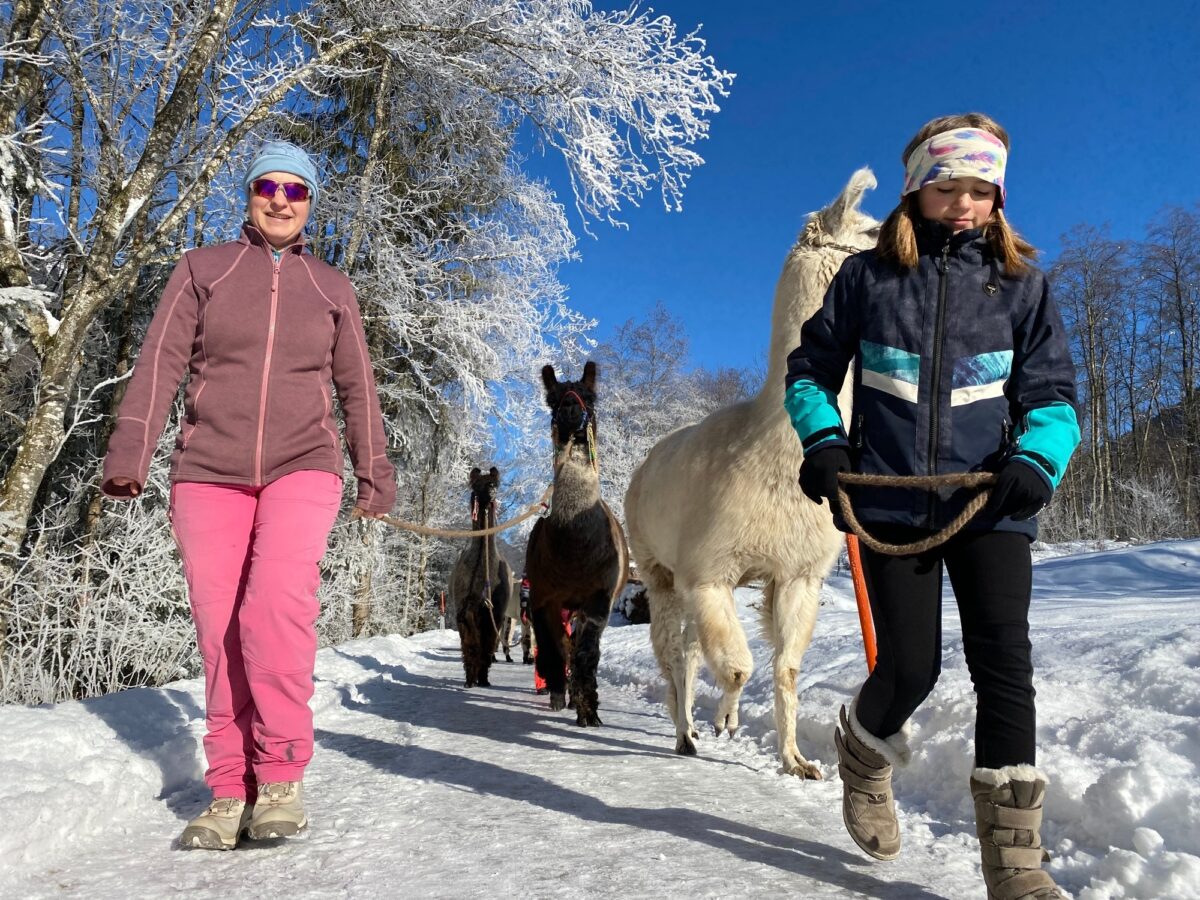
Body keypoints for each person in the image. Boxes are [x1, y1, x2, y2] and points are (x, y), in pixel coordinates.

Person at [785, 114, 1080, 898]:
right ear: (916, 189)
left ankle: (1016, 867)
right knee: (911, 667)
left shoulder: (1022, 287)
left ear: (998, 197)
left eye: (981, 189)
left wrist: (1037, 459)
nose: (965, 203)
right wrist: (824, 443)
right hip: (891, 504)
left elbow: (1053, 395)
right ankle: (863, 751)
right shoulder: (867, 280)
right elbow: (809, 372)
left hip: (990, 503)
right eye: (949, 186)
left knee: (1004, 663)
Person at [102, 140, 396, 850]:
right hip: (208, 470)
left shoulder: (331, 287)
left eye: (296, 190)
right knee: (220, 628)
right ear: (249, 193)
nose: (281, 201)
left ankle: (283, 773)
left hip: (303, 464)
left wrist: (374, 471)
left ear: (311, 203)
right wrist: (130, 452)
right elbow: (159, 361)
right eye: (269, 186)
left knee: (275, 607)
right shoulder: (203, 269)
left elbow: (357, 387)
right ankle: (231, 787)